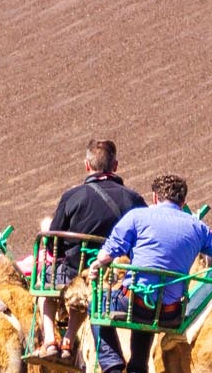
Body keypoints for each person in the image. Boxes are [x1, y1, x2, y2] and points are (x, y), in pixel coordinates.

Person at [89, 175, 212, 373]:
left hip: (136, 302)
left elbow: (107, 253)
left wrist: (97, 264)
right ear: (183, 202)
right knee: (146, 315)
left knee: (98, 303)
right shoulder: (197, 227)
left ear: (154, 197)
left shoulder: (137, 217)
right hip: (172, 311)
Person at [37, 138, 145, 356]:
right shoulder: (133, 199)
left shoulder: (72, 196)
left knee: (44, 286)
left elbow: (52, 243)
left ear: (87, 166)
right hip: (115, 273)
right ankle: (68, 341)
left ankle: (50, 341)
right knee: (89, 283)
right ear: (115, 166)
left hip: (72, 273)